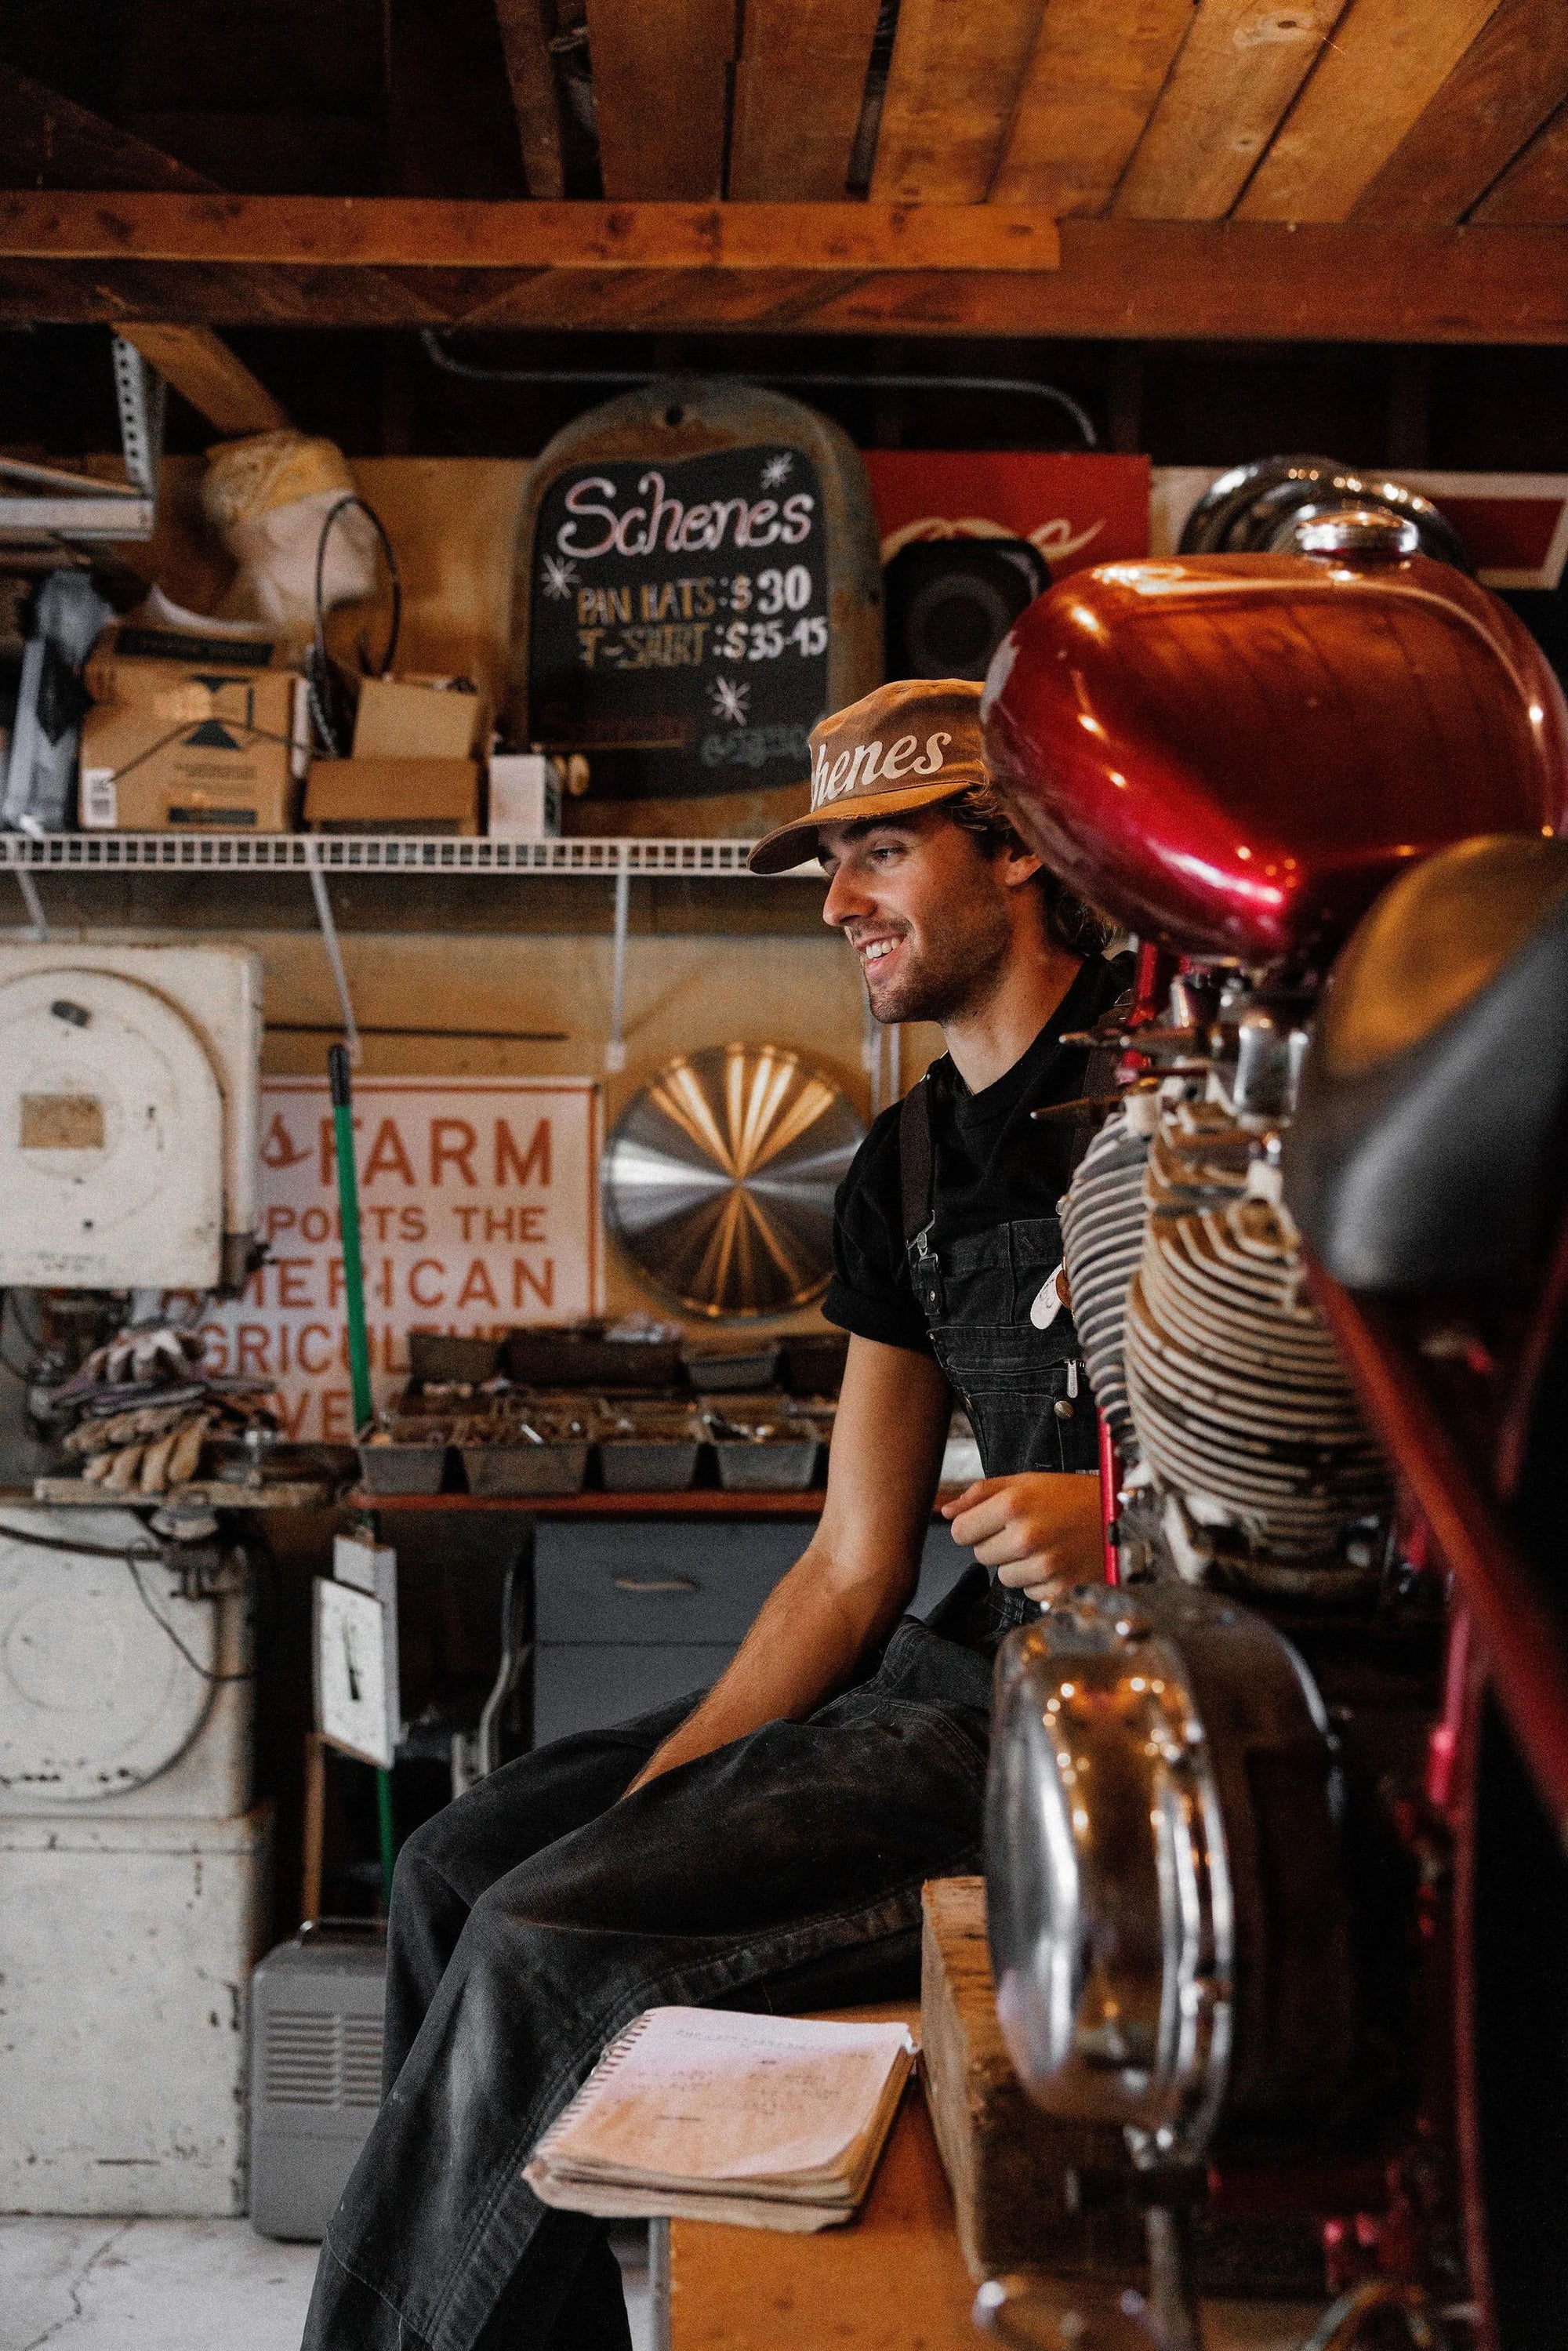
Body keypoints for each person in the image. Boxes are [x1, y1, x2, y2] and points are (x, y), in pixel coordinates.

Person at [302, 677, 1125, 2351]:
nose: (836, 905)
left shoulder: (1155, 1107)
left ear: (1020, 848)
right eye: (826, 862)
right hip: (925, 1693)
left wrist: (1122, 1525)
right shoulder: (896, 1165)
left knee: (544, 1944)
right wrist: (673, 1790)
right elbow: (847, 1564)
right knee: (464, 1866)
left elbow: (1334, 1462)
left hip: (1076, 1743)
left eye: (878, 853)